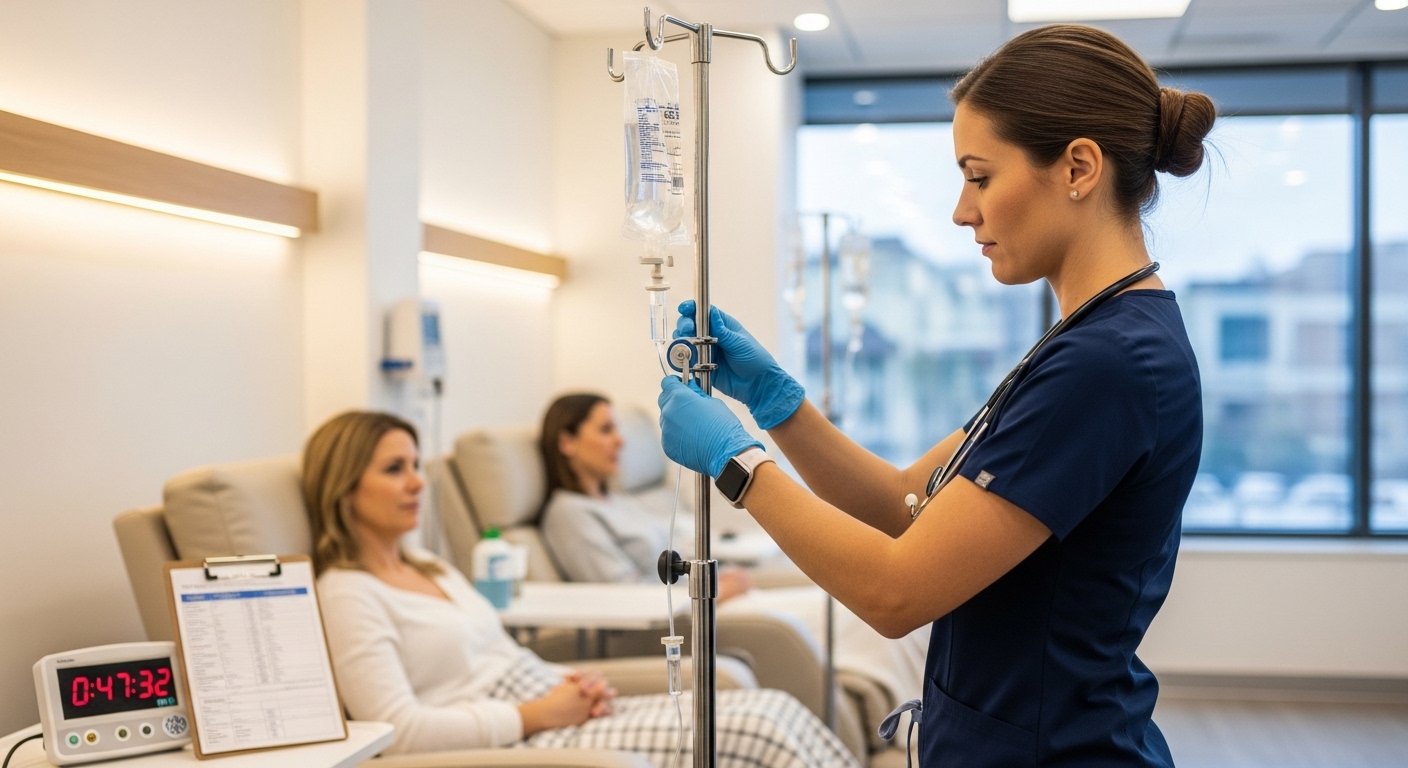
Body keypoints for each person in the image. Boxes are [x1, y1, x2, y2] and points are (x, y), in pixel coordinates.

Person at [656, 23, 1214, 768]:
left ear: (1079, 166)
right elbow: (901, 503)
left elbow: (896, 593)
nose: (962, 210)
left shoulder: (1110, 364)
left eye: (980, 176)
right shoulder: (1085, 342)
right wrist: (779, 405)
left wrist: (738, 465)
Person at [302, 409, 858, 767]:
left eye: (416, 464)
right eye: (394, 469)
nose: (418, 482)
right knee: (755, 734)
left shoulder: (430, 567)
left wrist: (570, 683)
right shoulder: (347, 593)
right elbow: (396, 731)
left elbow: (500, 654)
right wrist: (539, 713)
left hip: (550, 703)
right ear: (345, 488)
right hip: (512, 737)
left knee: (770, 709)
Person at [537, 392, 929, 711]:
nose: (620, 441)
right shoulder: (568, 514)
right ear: (567, 442)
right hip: (692, 614)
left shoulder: (621, 501)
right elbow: (623, 600)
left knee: (842, 603)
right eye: (605, 430)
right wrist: (717, 590)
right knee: (856, 617)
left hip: (715, 596)